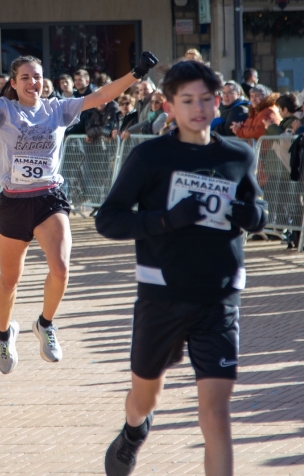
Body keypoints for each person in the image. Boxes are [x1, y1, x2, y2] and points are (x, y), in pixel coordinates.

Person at [0, 32, 157, 374]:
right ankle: (5, 335)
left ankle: (45, 324)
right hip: (14, 203)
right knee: (10, 279)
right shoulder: (3, 111)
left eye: (37, 76)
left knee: (61, 269)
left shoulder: (58, 109)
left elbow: (102, 94)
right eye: (25, 77)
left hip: (49, 198)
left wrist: (136, 74)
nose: (33, 82)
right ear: (15, 84)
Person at [96, 60, 268, 476]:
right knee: (144, 399)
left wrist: (245, 213)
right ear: (170, 105)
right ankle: (134, 433)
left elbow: (261, 212)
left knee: (216, 412)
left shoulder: (237, 155)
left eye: (206, 99)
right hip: (163, 296)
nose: (198, 108)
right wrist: (167, 219)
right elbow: (109, 219)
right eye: (187, 100)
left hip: (219, 296)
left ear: (216, 101)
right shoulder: (151, 156)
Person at [65, 69, 98, 136]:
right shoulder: (74, 96)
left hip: (91, 132)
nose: (77, 82)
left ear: (87, 81)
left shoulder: (93, 95)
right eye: (75, 80)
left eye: (80, 80)